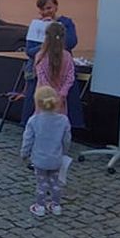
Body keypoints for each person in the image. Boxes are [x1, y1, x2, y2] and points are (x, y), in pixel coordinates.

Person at [22, 0, 82, 127]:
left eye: (49, 8)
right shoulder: (37, 26)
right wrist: (46, 44)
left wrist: (55, 30)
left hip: (61, 67)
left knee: (63, 99)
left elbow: (71, 42)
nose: (46, 12)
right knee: (39, 98)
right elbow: (29, 51)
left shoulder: (66, 23)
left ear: (56, 6)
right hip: (42, 70)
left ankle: (63, 127)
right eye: (42, 9)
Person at [21, 86, 72, 217]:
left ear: (37, 103)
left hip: (40, 159)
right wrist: (64, 152)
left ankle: (40, 206)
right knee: (55, 182)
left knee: (41, 183)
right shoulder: (63, 120)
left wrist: (24, 154)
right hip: (56, 159)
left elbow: (28, 140)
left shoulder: (34, 121)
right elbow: (67, 140)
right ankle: (56, 205)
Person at [35, 22, 75, 116]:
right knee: (59, 123)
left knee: (41, 122)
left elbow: (42, 78)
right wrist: (62, 93)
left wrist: (50, 93)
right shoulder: (67, 56)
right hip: (61, 98)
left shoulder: (41, 56)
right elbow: (70, 78)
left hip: (43, 96)